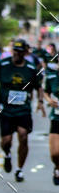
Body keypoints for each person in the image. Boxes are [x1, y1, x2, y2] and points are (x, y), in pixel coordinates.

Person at [0, 37, 45, 182]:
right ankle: (7, 154)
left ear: (25, 52)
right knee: (6, 140)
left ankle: (19, 170)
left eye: (20, 51)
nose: (17, 54)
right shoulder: (3, 64)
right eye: (15, 51)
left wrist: (39, 101)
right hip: (6, 109)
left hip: (23, 110)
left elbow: (39, 86)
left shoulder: (31, 68)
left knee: (23, 135)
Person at [43, 43, 59, 185]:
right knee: (55, 153)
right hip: (56, 117)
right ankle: (57, 167)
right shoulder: (52, 76)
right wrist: (49, 100)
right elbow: (46, 92)